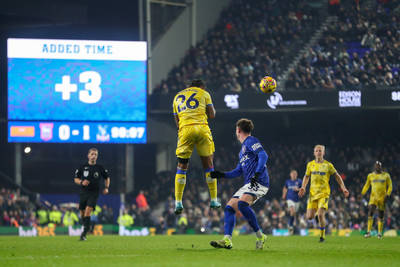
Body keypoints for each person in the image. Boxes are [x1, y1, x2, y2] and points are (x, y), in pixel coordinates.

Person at [209, 118, 269, 250]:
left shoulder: (251, 141)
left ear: (238, 130)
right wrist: (221, 174)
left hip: (260, 181)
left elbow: (264, 156)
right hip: (250, 183)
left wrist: (257, 174)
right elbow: (237, 171)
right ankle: (227, 240)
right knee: (229, 208)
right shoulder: (242, 150)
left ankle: (260, 236)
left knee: (242, 204)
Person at [172, 79, 220, 214]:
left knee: (181, 166)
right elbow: (212, 114)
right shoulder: (204, 93)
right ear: (202, 86)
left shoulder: (177, 97)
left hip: (185, 130)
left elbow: (177, 123)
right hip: (202, 128)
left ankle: (178, 202)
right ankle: (214, 199)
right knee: (209, 164)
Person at [298, 145, 349, 242]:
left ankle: (322, 237)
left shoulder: (328, 165)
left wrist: (343, 188)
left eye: (320, 151)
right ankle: (317, 216)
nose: (318, 152)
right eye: (316, 151)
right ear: (314, 153)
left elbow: (337, 176)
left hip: (324, 194)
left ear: (323, 153)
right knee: (309, 217)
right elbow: (306, 176)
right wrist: (303, 187)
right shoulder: (310, 165)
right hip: (312, 194)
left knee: (321, 215)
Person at [74, 148, 110, 241]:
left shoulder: (100, 168)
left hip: (94, 193)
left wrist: (106, 188)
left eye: (96, 154)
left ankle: (84, 233)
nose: (94, 156)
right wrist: (82, 182)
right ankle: (87, 225)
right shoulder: (82, 167)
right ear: (88, 155)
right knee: (82, 212)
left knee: (87, 211)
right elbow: (76, 179)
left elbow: (107, 178)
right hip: (83, 192)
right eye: (92, 154)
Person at [361, 161, 392, 239]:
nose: (378, 167)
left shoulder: (386, 175)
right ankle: (368, 232)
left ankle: (379, 233)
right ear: (374, 166)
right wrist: (362, 193)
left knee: (381, 215)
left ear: (381, 166)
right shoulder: (370, 175)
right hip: (373, 197)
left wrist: (387, 195)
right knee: (371, 211)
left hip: (382, 198)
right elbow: (366, 185)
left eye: (379, 165)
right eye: (376, 165)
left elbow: (390, 186)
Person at [282, 169, 302, 234]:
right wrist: (284, 195)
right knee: (292, 210)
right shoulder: (287, 182)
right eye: (292, 174)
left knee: (293, 214)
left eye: (295, 174)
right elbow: (285, 188)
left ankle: (290, 224)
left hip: (297, 200)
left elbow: (303, 190)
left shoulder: (299, 181)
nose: (294, 175)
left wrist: (298, 189)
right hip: (289, 199)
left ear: (297, 175)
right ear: (290, 175)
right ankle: (290, 226)